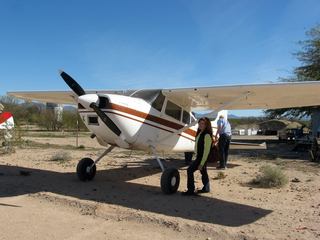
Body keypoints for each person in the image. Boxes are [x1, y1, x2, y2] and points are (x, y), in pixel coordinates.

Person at [182, 117, 212, 196]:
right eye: (199, 123)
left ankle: (191, 190)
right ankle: (206, 188)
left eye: (203, 123)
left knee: (189, 170)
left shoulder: (207, 135)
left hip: (202, 158)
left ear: (206, 125)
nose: (200, 125)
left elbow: (206, 151)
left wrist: (202, 163)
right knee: (203, 172)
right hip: (199, 157)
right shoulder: (199, 133)